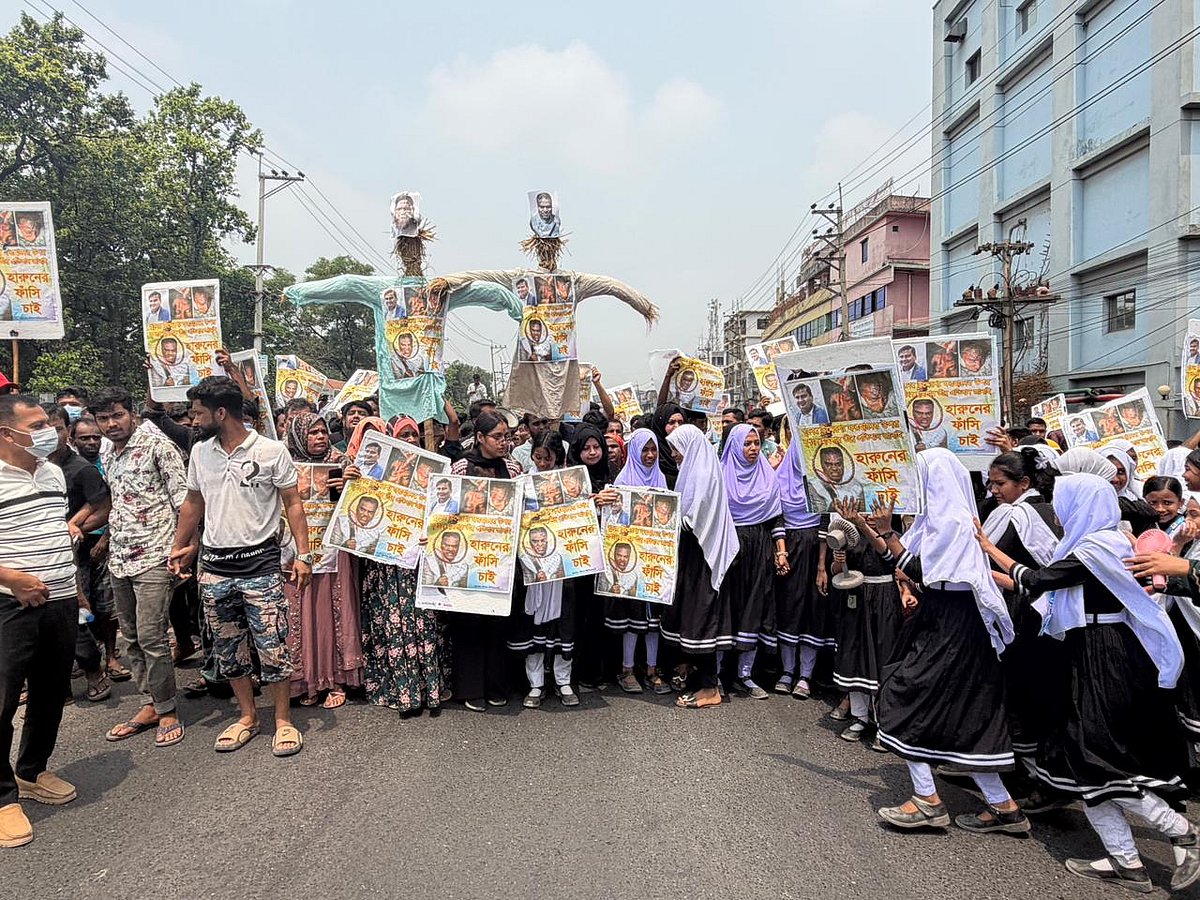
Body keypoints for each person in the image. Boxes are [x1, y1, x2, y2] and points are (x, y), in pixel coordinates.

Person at [984, 475, 1199, 892]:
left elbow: (1039, 580)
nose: (1058, 514)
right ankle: (1125, 861)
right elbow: (1047, 586)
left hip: (1106, 655)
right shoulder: (1098, 544)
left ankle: (1180, 829)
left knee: (1094, 754)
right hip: (1089, 649)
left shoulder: (1096, 547)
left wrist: (986, 547)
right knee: (1081, 759)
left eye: (1063, 504)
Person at [868, 449, 1025, 835]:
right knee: (963, 714)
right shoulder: (935, 520)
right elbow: (903, 565)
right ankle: (1004, 807)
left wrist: (888, 533)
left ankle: (927, 800)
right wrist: (874, 528)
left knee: (903, 695)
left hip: (954, 625)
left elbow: (923, 572)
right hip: (944, 620)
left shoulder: (954, 522)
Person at [169, 376, 311, 758]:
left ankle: (283, 720)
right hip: (214, 568)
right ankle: (248, 716)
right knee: (228, 649)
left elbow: (293, 503)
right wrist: (179, 546)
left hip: (261, 566)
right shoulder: (200, 453)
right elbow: (193, 502)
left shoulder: (271, 451)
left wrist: (304, 555)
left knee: (272, 647)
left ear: (220, 413)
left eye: (198, 413)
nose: (193, 420)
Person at [0, 394, 80, 848]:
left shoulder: (52, 472)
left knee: (51, 692)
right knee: (3, 700)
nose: (48, 431)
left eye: (48, 423)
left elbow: (53, 531)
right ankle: (2, 798)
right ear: (6, 433)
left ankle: (31, 771)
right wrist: (12, 579)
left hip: (61, 599)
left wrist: (73, 587)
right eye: (36, 426)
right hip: (10, 605)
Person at [89, 387, 188, 749]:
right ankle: (149, 703)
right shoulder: (107, 452)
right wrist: (105, 540)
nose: (111, 424)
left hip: (156, 555)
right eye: (103, 418)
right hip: (120, 557)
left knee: (152, 637)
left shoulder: (159, 447)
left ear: (131, 414)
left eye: (117, 415)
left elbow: (184, 502)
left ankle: (167, 710)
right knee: (129, 637)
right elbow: (118, 502)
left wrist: (184, 549)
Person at [978, 449, 1064, 805]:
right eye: (991, 484)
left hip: (1027, 614)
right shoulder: (1020, 511)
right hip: (1026, 612)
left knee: (1025, 691)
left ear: (1024, 483)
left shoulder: (1026, 515)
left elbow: (1045, 573)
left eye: (1000, 483)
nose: (994, 490)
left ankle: (1035, 775)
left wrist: (1001, 577)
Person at [355, 419, 449, 719]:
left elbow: (447, 515)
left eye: (412, 434)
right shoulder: (373, 474)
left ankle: (429, 690)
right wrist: (351, 481)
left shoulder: (433, 475)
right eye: (402, 435)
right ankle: (403, 692)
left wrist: (432, 531)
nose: (409, 439)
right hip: (385, 568)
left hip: (419, 564)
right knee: (393, 626)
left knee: (425, 625)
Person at [283, 413, 360, 709]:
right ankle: (305, 680)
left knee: (331, 613)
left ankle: (335, 679)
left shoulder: (341, 463)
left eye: (323, 432)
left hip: (331, 552)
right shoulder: (284, 464)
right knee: (299, 615)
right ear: (299, 436)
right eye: (312, 433)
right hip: (294, 552)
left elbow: (357, 507)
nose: (320, 437)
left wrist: (350, 485)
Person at [447, 412, 523, 710]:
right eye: (497, 437)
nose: (504, 443)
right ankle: (470, 688)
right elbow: (445, 509)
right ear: (480, 438)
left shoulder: (513, 468)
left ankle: (496, 685)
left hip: (501, 560)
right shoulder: (461, 467)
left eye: (507, 437)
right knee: (469, 623)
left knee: (498, 622)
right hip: (467, 559)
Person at [660, 425, 740, 708]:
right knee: (692, 617)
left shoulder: (703, 474)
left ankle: (710, 688)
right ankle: (698, 677)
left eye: (676, 448)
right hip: (694, 554)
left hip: (703, 556)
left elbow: (693, 519)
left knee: (702, 620)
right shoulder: (694, 470)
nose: (673, 454)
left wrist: (663, 519)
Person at [44, 406, 110, 703]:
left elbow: (103, 506)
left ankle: (93, 669)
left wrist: (74, 526)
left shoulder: (81, 469)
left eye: (56, 428)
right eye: (39, 429)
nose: (48, 435)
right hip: (34, 556)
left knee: (77, 614)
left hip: (74, 556)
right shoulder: (27, 467)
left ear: (67, 432)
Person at [717, 423, 787, 700]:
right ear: (734, 446)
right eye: (746, 444)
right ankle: (718, 673)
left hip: (759, 550)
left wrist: (781, 551)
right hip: (729, 549)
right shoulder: (720, 476)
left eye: (756, 443)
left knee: (755, 606)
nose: (753, 449)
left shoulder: (767, 476)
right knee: (726, 608)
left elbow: (775, 518)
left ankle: (745, 674)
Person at [602, 429, 672, 694]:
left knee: (653, 620)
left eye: (653, 450)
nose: (650, 455)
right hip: (630, 561)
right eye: (644, 450)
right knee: (631, 619)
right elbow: (614, 523)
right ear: (633, 452)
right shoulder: (623, 481)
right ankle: (627, 669)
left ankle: (652, 669)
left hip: (655, 562)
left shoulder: (661, 479)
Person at [772, 439, 829, 699]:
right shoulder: (779, 479)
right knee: (788, 607)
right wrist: (781, 552)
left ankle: (806, 675)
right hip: (789, 550)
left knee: (813, 609)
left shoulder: (823, 482)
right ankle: (787, 671)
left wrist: (821, 566)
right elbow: (776, 516)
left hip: (817, 549)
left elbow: (825, 522)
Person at [807, 444, 866, 512]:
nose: (834, 468)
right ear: (822, 465)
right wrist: (832, 509)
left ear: (843, 464)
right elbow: (818, 514)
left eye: (838, 464)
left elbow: (863, 512)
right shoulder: (814, 486)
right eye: (828, 465)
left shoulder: (856, 486)